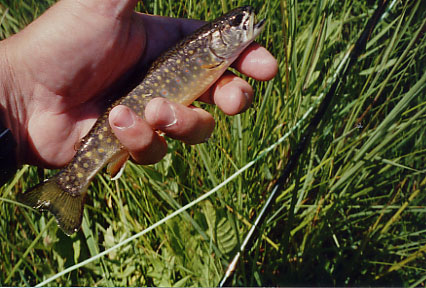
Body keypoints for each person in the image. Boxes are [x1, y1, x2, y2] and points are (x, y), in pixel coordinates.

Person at [0, 0, 278, 186]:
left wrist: (16, 91)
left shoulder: (212, 57)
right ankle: (70, 184)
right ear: (215, 40)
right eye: (235, 22)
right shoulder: (209, 58)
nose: (244, 21)